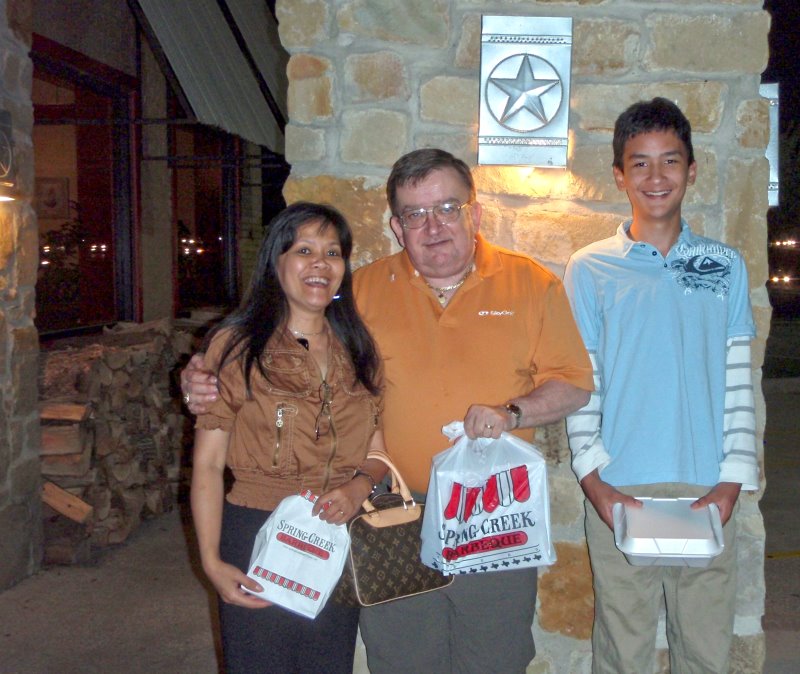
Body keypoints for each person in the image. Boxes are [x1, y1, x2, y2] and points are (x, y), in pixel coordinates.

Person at [184, 149, 594, 673]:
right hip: (388, 512)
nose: (433, 226)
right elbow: (287, 327)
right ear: (397, 227)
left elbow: (574, 386)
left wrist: (514, 411)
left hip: (491, 508)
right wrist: (201, 370)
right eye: (415, 214)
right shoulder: (362, 290)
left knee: (495, 654)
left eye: (447, 207)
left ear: (476, 214)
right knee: (401, 657)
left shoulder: (532, 284)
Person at [563, 98, 759, 673]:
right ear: (620, 175)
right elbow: (582, 384)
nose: (656, 177)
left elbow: (739, 384)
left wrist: (731, 482)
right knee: (622, 654)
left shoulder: (724, 265)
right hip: (622, 490)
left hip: (706, 492)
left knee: (705, 652)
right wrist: (594, 480)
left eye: (670, 161)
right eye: (640, 164)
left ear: (692, 170)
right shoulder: (591, 267)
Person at [190, 201, 389, 674]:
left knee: (327, 664)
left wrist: (359, 486)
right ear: (276, 262)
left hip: (335, 536)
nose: (321, 264)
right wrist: (211, 561)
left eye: (333, 253)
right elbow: (208, 466)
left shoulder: (359, 348)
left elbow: (378, 447)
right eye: (304, 250)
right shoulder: (237, 346)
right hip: (256, 531)